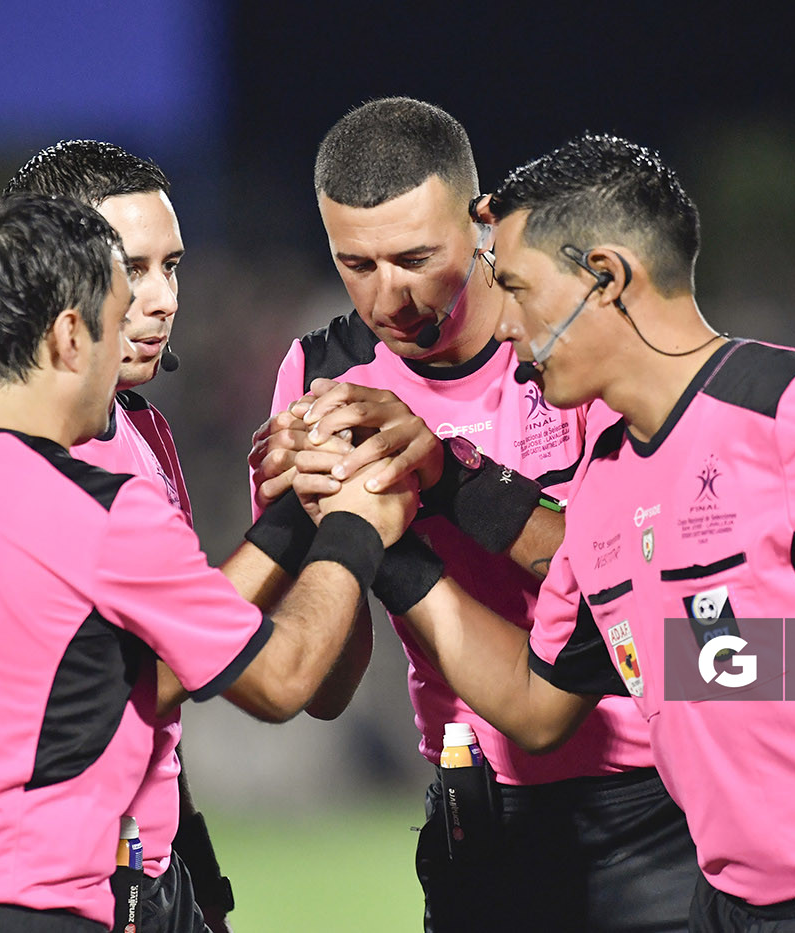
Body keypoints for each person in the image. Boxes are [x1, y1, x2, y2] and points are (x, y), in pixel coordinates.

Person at [349, 132, 795, 931]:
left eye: (519, 290)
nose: (504, 330)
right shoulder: (602, 483)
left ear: (606, 279)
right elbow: (534, 705)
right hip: (735, 907)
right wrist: (385, 550)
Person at [0, 193, 414, 931]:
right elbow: (284, 677)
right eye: (113, 320)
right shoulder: (100, 511)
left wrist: (289, 517)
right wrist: (355, 527)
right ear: (70, 336)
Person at [248, 98, 697, 932]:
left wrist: (448, 477)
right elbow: (328, 687)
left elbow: (632, 576)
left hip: (656, 796)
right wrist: (326, 524)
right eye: (357, 263)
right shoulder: (321, 375)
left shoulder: (570, 338)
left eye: (417, 256)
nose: (391, 296)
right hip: (479, 808)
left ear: (482, 221)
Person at [3, 139, 230, 933]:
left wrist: (194, 871)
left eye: (172, 266)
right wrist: (305, 532)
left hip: (154, 872)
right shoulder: (37, 447)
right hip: (72, 888)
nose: (163, 298)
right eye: (133, 269)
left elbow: (153, 716)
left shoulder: (141, 425)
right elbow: (143, 674)